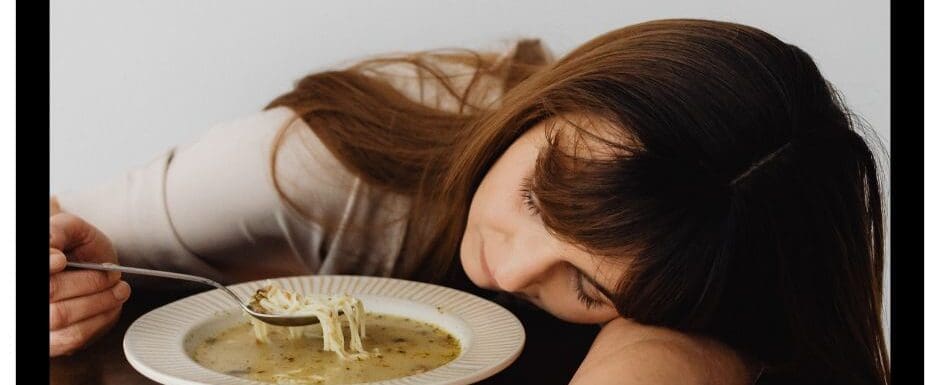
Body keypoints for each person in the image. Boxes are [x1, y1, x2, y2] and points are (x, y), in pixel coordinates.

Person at [48, 18, 890, 385]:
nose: (510, 266)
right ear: (552, 98)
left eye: (589, 289)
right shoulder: (311, 168)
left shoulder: (707, 278)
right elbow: (57, 236)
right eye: (538, 194)